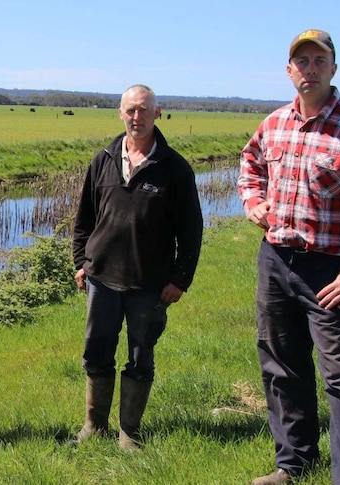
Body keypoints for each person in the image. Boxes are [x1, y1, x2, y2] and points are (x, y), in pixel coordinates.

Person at [238, 29, 340, 485]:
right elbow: (249, 163)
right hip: (275, 261)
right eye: (301, 62)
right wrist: (254, 202)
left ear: (333, 68)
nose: (309, 69)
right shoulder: (274, 123)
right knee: (280, 366)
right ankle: (294, 463)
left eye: (318, 60)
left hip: (331, 269)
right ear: (289, 70)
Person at [72, 84, 203, 450]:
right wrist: (81, 261)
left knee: (139, 356)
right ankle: (93, 426)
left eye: (144, 110)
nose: (136, 117)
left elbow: (191, 230)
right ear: (120, 113)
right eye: (130, 110)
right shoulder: (103, 159)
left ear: (157, 114)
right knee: (96, 352)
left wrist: (181, 279)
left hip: (149, 285)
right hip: (101, 280)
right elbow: (84, 218)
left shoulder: (174, 169)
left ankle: (129, 432)